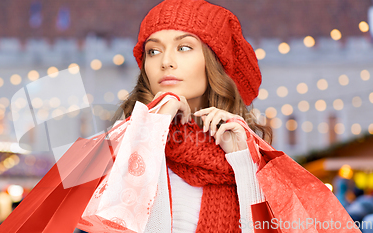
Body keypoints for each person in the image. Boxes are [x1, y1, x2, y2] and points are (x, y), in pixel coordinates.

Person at [111, 0, 272, 232]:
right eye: (153, 51)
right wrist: (155, 128)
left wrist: (243, 162)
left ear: (213, 61)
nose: (165, 62)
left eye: (184, 47)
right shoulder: (123, 142)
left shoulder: (245, 150)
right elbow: (123, 224)